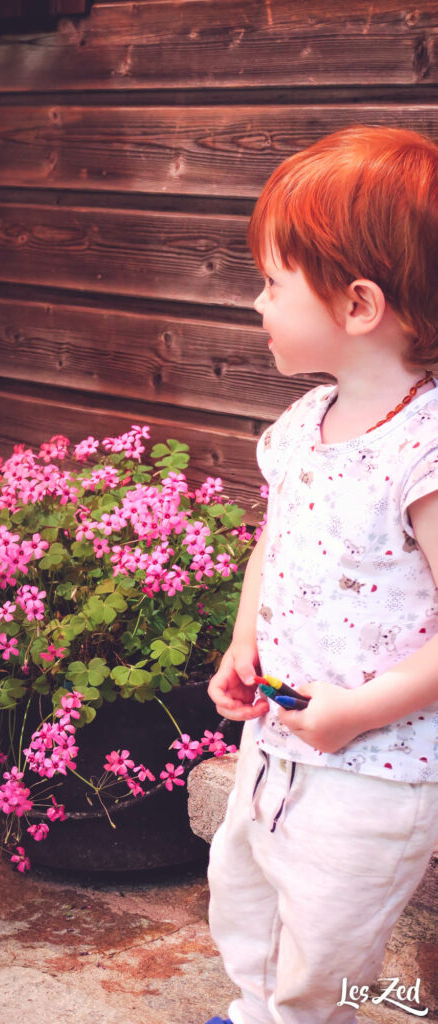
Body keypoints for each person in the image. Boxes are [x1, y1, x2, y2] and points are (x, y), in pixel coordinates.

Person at [204, 125, 438, 1024]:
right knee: (247, 896)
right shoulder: (306, 423)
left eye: (270, 282)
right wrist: (242, 639)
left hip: (377, 766)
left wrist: (357, 713)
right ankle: (256, 1011)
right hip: (280, 735)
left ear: (358, 304)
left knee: (328, 949)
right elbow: (280, 539)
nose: (255, 302)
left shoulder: (420, 455)